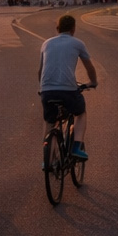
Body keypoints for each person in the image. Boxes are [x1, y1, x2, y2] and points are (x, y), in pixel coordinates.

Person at [37, 14, 98, 160]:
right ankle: (76, 146)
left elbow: (40, 71)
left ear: (57, 28)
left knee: (50, 121)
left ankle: (47, 160)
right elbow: (89, 67)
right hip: (67, 90)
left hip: (46, 89)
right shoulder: (77, 43)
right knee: (80, 112)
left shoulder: (46, 43)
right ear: (73, 28)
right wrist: (93, 82)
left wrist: (42, 89)